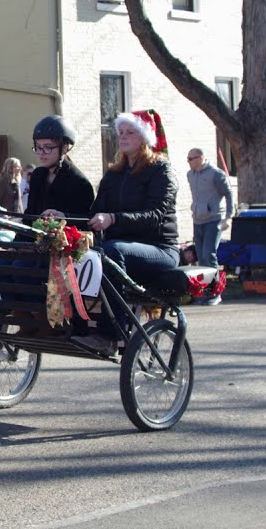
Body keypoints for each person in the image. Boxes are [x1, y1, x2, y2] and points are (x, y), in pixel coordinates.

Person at [83, 109, 180, 351]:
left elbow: (155, 216)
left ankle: (112, 334)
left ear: (145, 137)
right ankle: (77, 326)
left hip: (160, 249)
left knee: (112, 251)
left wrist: (113, 219)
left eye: (130, 132)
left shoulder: (161, 170)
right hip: (120, 248)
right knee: (82, 252)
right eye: (121, 132)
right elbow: (95, 213)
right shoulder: (114, 174)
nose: (123, 137)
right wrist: (64, 218)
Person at [24, 115, 96, 222]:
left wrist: (64, 216)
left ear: (64, 149)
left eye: (48, 147)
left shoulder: (80, 183)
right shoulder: (37, 175)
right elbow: (29, 215)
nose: (41, 153)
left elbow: (87, 222)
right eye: (38, 147)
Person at [186, 147, 234, 306]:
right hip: (198, 219)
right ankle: (205, 291)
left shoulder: (216, 173)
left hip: (214, 219)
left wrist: (228, 217)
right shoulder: (190, 175)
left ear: (200, 158)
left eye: (191, 159)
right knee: (201, 256)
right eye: (188, 159)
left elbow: (228, 194)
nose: (188, 162)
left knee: (209, 254)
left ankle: (216, 292)